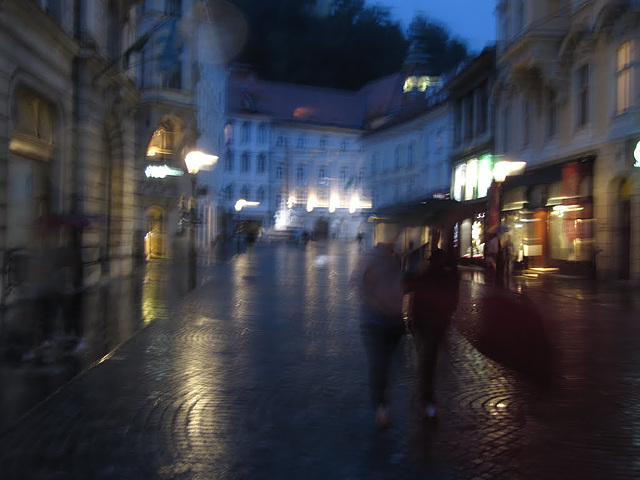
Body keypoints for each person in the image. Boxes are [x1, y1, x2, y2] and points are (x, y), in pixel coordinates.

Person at [350, 223, 406, 428]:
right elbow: (356, 283)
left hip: (394, 319)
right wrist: (375, 302)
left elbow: (400, 285)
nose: (396, 237)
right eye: (394, 233)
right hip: (374, 321)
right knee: (379, 364)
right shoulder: (371, 257)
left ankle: (383, 399)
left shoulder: (398, 259)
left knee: (391, 363)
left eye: (397, 233)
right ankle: (380, 406)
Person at [404, 248, 459, 422]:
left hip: (423, 324)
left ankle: (427, 399)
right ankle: (428, 399)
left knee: (426, 361)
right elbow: (453, 301)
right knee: (429, 361)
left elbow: (407, 287)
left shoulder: (426, 275)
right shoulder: (448, 277)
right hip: (435, 325)